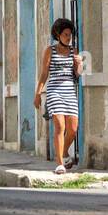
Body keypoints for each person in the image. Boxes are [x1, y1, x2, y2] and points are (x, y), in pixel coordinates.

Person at [34, 18, 82, 176]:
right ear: (58, 34)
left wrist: (79, 63)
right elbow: (44, 74)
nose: (69, 38)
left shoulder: (74, 51)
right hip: (54, 91)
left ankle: (64, 151)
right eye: (66, 34)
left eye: (70, 35)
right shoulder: (50, 51)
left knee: (73, 129)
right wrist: (38, 93)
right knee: (60, 127)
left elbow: (77, 74)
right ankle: (60, 163)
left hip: (69, 91)